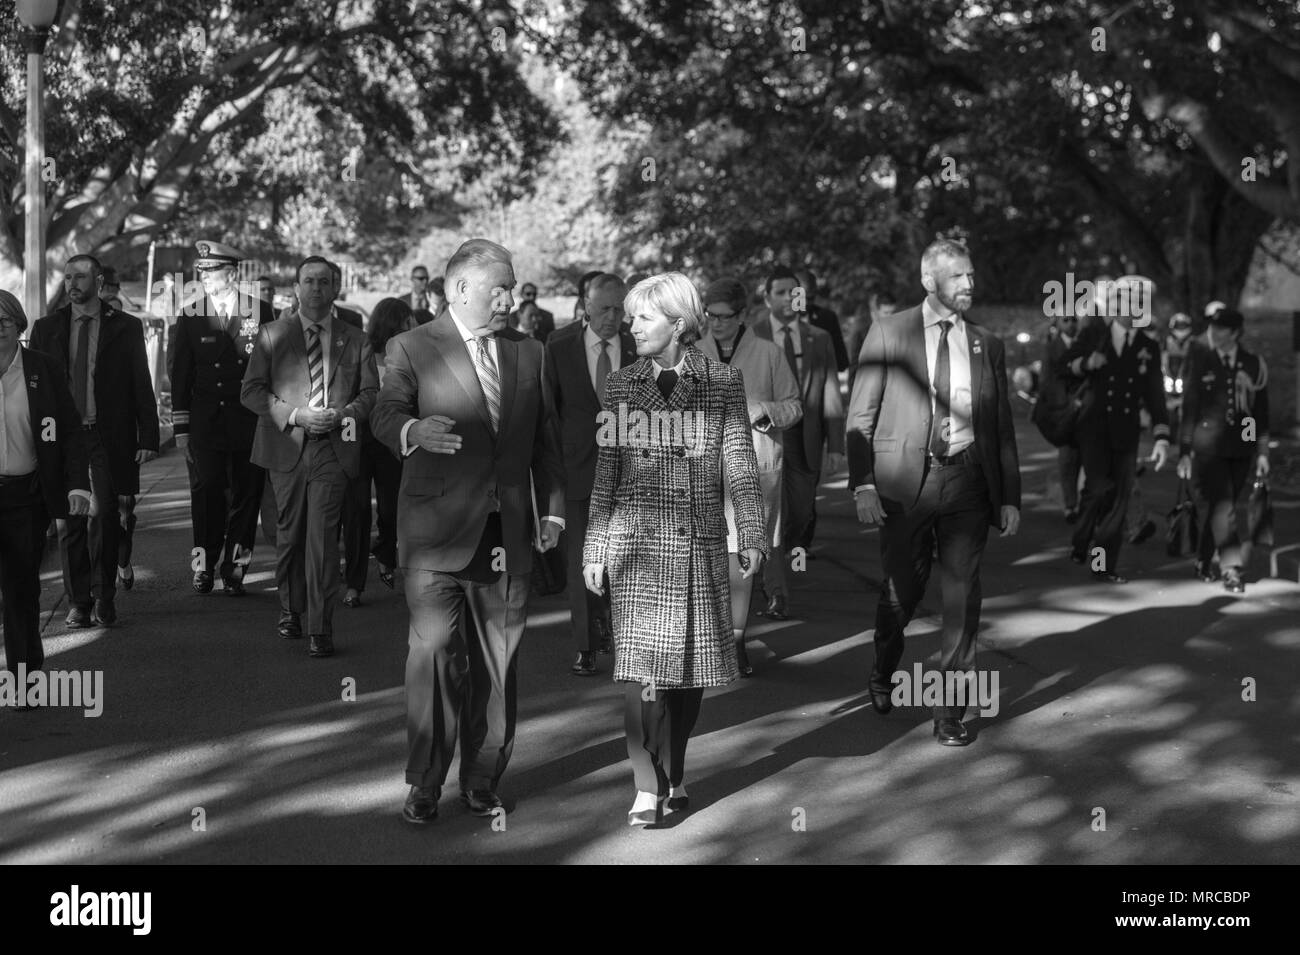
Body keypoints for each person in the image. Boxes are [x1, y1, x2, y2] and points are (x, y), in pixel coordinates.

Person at [370, 238, 564, 825]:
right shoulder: (410, 345)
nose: (509, 297)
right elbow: (383, 413)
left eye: (511, 285)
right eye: (498, 287)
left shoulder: (530, 352)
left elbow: (545, 442)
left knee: (497, 665)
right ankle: (425, 782)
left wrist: (551, 512)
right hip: (433, 535)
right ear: (459, 289)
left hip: (506, 537)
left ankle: (482, 778)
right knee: (433, 658)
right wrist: (410, 432)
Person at [583, 272, 766, 826]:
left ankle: (675, 769)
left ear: (677, 324)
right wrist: (595, 546)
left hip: (700, 544)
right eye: (631, 316)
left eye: (642, 317)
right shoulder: (621, 386)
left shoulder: (721, 382)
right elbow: (606, 473)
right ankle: (645, 786)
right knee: (643, 672)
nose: (630, 325)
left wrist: (752, 533)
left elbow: (739, 462)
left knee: (689, 676)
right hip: (636, 548)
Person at [847, 238, 1021, 747]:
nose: (969, 284)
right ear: (929, 281)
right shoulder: (890, 332)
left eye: (971, 275)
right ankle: (884, 667)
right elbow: (860, 417)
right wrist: (863, 484)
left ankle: (950, 711)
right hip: (905, 485)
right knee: (902, 591)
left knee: (962, 597)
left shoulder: (986, 344)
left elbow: (1001, 426)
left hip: (967, 481)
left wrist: (1009, 495)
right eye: (958, 277)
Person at [240, 255, 378, 657]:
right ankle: (291, 608)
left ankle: (321, 627)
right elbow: (250, 391)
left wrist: (343, 414)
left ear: (334, 288)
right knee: (291, 534)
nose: (316, 288)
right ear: (296, 288)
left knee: (322, 538)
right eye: (309, 281)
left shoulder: (356, 338)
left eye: (324, 281)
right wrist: (296, 414)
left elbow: (371, 394)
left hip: (333, 449)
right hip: (286, 446)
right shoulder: (270, 334)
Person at [31, 254, 159, 629]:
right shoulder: (46, 328)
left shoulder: (126, 327)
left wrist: (148, 434)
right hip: (64, 439)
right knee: (70, 519)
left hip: (107, 434)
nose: (72, 283)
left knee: (103, 516)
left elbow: (141, 382)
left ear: (98, 281)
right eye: (68, 276)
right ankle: (79, 601)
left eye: (81, 277)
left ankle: (104, 596)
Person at [696, 277, 801, 677]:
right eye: (710, 317)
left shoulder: (769, 354)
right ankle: (716, 637)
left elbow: (795, 406)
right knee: (708, 559)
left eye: (724, 318)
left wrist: (767, 411)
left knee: (744, 558)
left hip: (753, 468)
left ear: (742, 315)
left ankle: (737, 642)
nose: (716, 324)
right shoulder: (692, 352)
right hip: (704, 470)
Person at [542, 272, 636, 677]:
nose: (612, 318)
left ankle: (623, 635)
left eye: (619, 309)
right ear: (585, 306)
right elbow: (549, 411)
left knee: (627, 560)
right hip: (576, 468)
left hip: (632, 470)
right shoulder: (559, 345)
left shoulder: (640, 346)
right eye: (603, 310)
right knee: (583, 560)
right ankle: (586, 644)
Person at [171, 240, 276, 595]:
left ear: (231, 274)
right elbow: (180, 374)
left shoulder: (260, 311)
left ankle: (236, 567)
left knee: (248, 495)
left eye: (211, 272)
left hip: (248, 419)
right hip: (207, 420)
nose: (204, 278)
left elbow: (272, 369)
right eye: (201, 272)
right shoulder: (190, 314)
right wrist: (181, 430)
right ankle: (203, 565)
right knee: (207, 492)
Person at [0, 291, 91, 690]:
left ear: (18, 325)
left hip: (26, 497)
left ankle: (23, 681)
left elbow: (70, 432)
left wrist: (77, 485)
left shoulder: (43, 369)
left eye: (4, 319)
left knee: (20, 591)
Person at [1058, 277, 1171, 582]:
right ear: (1114, 305)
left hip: (1126, 431)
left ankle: (1101, 565)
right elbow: (1063, 365)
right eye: (1125, 302)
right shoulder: (1095, 334)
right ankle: (1081, 539)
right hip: (1093, 429)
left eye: (1137, 303)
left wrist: (1162, 437)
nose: (1131, 309)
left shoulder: (1148, 346)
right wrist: (1085, 363)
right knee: (1099, 490)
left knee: (1118, 501)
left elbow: (1155, 396)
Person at [748, 265, 844, 615]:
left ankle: (781, 560)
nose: (789, 298)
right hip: (764, 435)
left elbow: (831, 391)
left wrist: (836, 445)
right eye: (780, 292)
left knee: (802, 513)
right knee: (768, 512)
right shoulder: (751, 336)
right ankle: (776, 590)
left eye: (794, 292)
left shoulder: (818, 337)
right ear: (766, 297)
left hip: (807, 437)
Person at [1177, 307, 1270, 593]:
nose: (1214, 334)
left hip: (1240, 448)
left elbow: (1256, 413)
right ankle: (1231, 569)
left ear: (1235, 333)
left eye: (1220, 329)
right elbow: (1190, 408)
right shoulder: (1202, 360)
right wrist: (1184, 449)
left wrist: (1260, 450)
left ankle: (1204, 558)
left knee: (1222, 507)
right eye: (1212, 328)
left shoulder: (1252, 364)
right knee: (1225, 506)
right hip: (1208, 447)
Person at [341, 297, 415, 604]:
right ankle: (354, 584)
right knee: (356, 511)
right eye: (408, 321)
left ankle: (386, 554)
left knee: (391, 508)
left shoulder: (412, 354)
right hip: (357, 438)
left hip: (391, 442)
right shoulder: (364, 351)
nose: (414, 326)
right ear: (393, 323)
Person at [1035, 309, 1084, 522]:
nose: (1071, 324)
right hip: (1064, 411)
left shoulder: (1084, 345)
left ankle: (1082, 505)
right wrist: (1066, 404)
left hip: (1085, 409)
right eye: (1066, 320)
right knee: (1068, 459)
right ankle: (1070, 505)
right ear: (1058, 323)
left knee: (1087, 459)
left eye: (1074, 320)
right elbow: (1047, 381)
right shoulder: (1051, 348)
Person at [795, 268, 850, 373]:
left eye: (810, 298)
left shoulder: (827, 318)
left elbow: (841, 360)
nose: (805, 302)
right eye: (801, 297)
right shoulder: (778, 320)